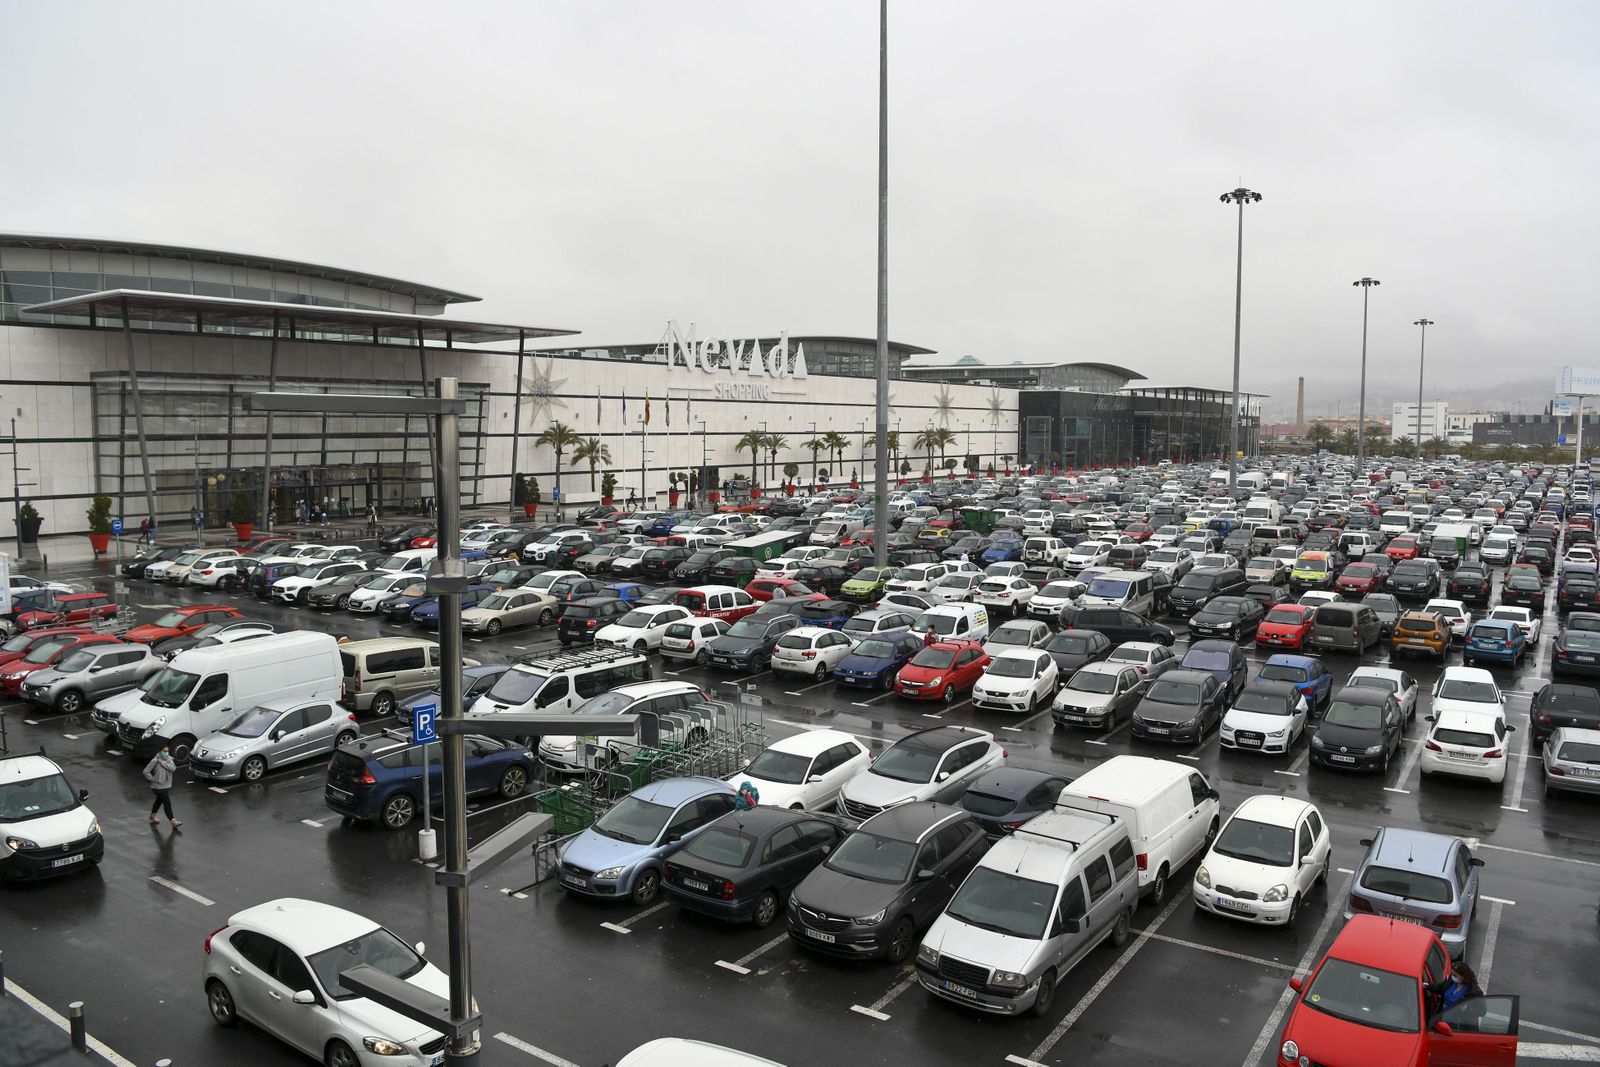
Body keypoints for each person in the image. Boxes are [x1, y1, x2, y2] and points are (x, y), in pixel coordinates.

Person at [144, 745, 180, 828]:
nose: (166, 753)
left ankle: (152, 816)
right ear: (160, 751)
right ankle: (173, 821)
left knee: (158, 801)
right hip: (157, 787)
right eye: (164, 751)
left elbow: (173, 769)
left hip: (167, 786)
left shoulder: (169, 759)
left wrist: (163, 763)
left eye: (167, 751)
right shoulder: (155, 760)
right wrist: (153, 779)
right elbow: (146, 771)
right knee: (167, 803)